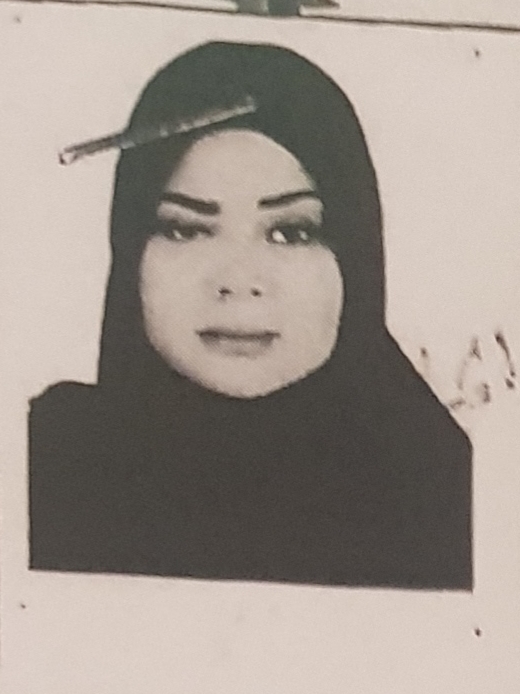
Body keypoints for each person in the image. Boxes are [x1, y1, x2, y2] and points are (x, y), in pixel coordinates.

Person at [29, 41, 473, 589]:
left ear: (357, 259)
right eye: (185, 229)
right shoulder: (46, 464)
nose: (239, 280)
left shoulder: (446, 491)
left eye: (292, 232)